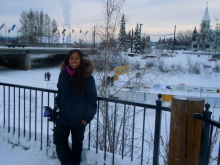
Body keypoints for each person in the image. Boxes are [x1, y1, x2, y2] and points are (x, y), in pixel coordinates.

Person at [53, 49, 97, 165]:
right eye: (72, 58)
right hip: (63, 116)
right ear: (68, 59)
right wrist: (56, 105)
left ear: (81, 60)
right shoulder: (63, 74)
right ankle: (67, 162)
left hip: (79, 119)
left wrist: (88, 117)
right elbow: (60, 92)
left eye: (77, 58)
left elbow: (92, 99)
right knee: (59, 141)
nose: (74, 60)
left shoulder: (87, 77)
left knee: (77, 145)